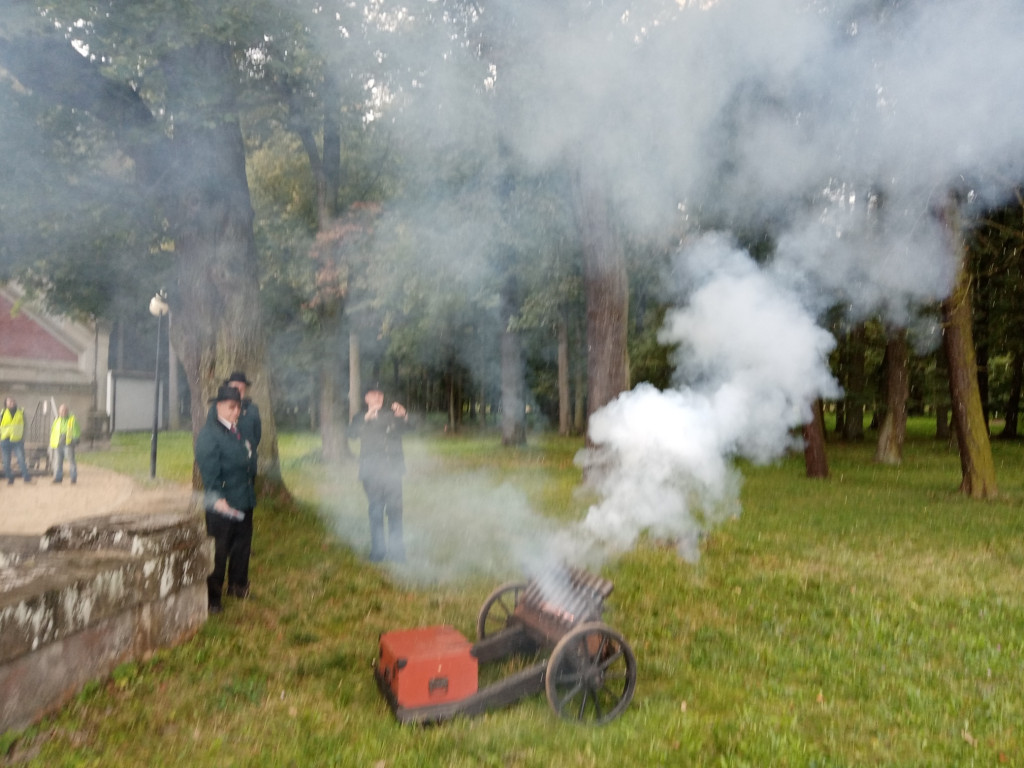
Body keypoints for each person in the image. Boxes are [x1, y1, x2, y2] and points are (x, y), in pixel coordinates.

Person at [195, 384, 257, 613]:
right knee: (219, 550)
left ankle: (238, 585)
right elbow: (209, 471)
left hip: (243, 498)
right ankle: (213, 598)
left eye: (238, 408)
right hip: (222, 503)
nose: (235, 412)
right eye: (231, 407)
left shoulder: (237, 431)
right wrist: (216, 498)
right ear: (218, 406)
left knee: (242, 546)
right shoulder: (209, 435)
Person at [349, 386, 413, 562]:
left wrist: (404, 416)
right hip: (372, 472)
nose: (377, 397)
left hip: (393, 470)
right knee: (376, 511)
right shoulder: (360, 417)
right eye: (373, 394)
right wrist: (366, 420)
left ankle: (397, 553)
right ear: (366, 398)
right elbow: (351, 434)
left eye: (380, 394)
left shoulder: (392, 413)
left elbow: (409, 429)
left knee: (395, 511)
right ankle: (378, 552)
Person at [207, 371, 261, 484]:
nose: (239, 390)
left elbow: (257, 435)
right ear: (228, 387)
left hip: (247, 466)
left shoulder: (252, 409)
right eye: (235, 387)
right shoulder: (216, 408)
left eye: (242, 388)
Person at [0, 397, 32, 484]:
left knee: (21, 460)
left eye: (13, 401)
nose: (12, 403)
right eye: (10, 402)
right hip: (5, 440)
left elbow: (25, 426)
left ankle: (26, 477)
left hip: (17, 440)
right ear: (6, 404)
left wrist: (23, 437)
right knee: (6, 462)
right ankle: (10, 478)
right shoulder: (2, 413)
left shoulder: (21, 412)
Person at [49, 403, 80, 484]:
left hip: (68, 444)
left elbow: (76, 431)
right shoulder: (56, 420)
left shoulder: (72, 420)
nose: (63, 412)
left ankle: (73, 477)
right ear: (59, 412)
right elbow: (53, 432)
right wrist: (52, 443)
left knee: (71, 461)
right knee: (58, 462)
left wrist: (74, 440)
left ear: (68, 411)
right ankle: (58, 477)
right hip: (58, 444)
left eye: (65, 410)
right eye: (62, 410)